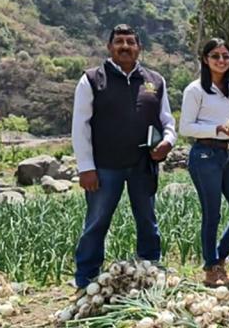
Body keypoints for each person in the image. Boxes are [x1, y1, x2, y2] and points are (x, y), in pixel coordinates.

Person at [71, 24, 176, 290]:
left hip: (143, 165)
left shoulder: (155, 80)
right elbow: (80, 126)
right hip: (105, 167)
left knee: (148, 222)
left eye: (130, 42)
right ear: (109, 47)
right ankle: (86, 279)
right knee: (97, 222)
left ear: (139, 48)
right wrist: (86, 167)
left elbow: (167, 121)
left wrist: (168, 141)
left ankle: (150, 273)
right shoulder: (92, 79)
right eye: (119, 41)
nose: (125, 46)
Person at [179, 38, 229, 287]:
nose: (221, 60)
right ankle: (211, 267)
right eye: (215, 56)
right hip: (205, 155)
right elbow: (185, 127)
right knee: (212, 213)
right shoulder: (195, 90)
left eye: (226, 56)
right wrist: (217, 129)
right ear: (205, 59)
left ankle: (219, 256)